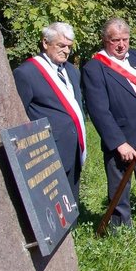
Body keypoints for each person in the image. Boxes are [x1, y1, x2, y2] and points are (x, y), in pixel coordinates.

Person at [82, 17, 136, 229]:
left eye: (125, 39)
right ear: (105, 40)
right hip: (121, 138)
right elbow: (99, 111)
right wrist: (118, 143)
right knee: (120, 189)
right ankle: (120, 231)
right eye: (115, 40)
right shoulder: (94, 68)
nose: (121, 45)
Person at [13, 22, 87, 201]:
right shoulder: (27, 73)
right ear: (46, 43)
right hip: (47, 151)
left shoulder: (72, 71)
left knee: (71, 199)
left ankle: (72, 228)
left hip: (74, 146)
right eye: (61, 46)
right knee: (51, 203)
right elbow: (17, 116)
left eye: (69, 46)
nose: (66, 51)